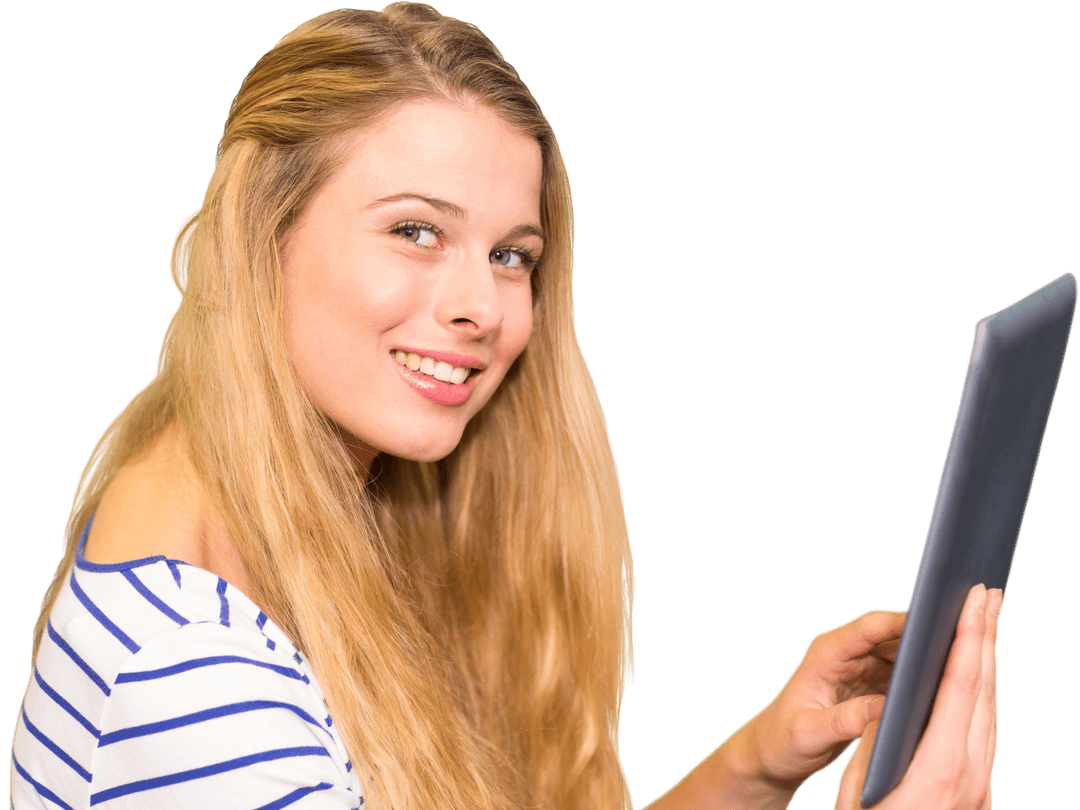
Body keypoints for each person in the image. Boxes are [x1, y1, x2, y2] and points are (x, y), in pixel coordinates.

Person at [8, 4, 1000, 808]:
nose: (480, 306)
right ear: (261, 240)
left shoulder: (279, 524)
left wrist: (760, 760)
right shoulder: (202, 691)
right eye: (413, 231)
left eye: (510, 255)